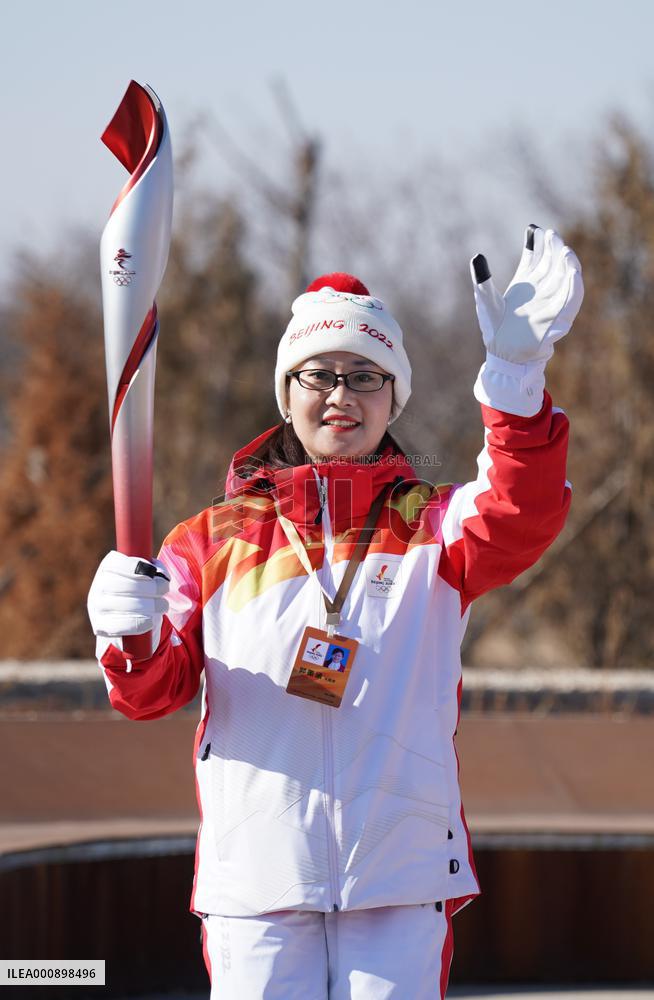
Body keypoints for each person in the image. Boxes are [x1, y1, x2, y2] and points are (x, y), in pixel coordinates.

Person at [87, 224, 583, 999]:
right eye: (318, 376)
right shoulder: (208, 541)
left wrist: (517, 383)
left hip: (399, 871)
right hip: (256, 880)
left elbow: (523, 511)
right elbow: (149, 692)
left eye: (365, 376)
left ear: (395, 397)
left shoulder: (434, 524)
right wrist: (126, 632)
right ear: (287, 395)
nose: (341, 396)